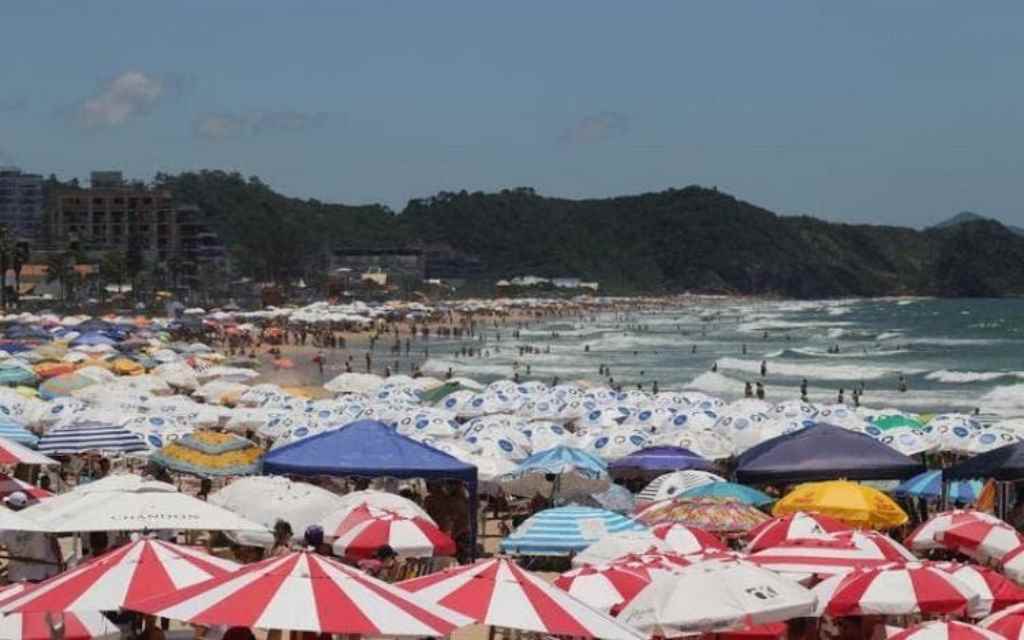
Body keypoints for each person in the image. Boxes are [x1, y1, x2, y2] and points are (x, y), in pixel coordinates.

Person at [1, 492, 62, 582]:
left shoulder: (4, 527)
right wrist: (60, 562)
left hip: (17, 574)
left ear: (10, 506)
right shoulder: (39, 523)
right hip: (40, 572)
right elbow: (54, 544)